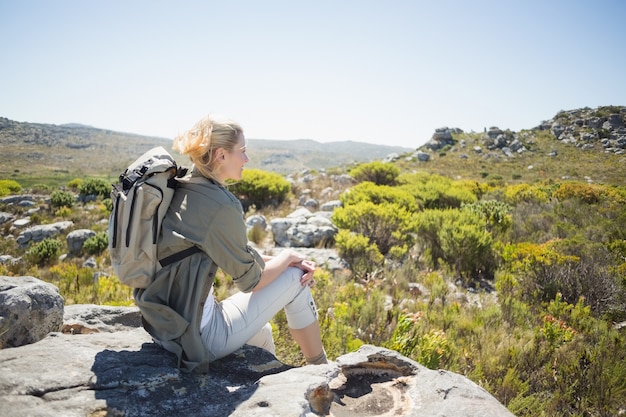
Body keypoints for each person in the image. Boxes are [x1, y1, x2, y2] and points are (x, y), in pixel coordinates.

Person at [133, 114, 327, 373]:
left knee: (263, 334)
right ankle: (322, 371)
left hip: (163, 326)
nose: (247, 159)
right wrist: (290, 257)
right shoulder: (221, 205)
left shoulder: (180, 188)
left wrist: (283, 259)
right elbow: (251, 282)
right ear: (221, 155)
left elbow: (234, 255)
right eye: (243, 151)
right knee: (297, 277)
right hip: (197, 336)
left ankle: (270, 381)